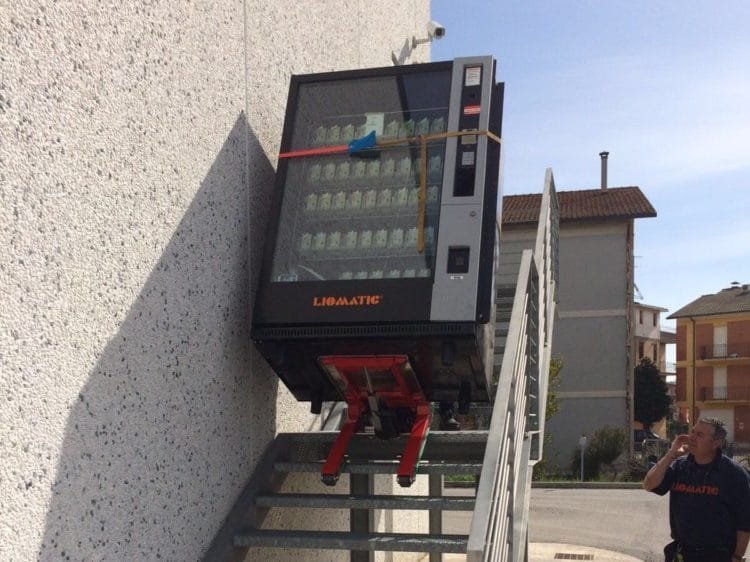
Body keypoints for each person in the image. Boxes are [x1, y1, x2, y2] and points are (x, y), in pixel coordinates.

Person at [643, 417, 750, 562]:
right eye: (692, 432)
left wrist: (737, 557)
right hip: (681, 553)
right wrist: (671, 454)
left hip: (717, 555)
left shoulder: (735, 474)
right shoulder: (680, 466)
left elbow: (744, 522)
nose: (691, 437)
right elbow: (649, 485)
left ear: (716, 443)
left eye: (699, 435)